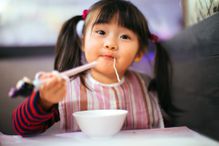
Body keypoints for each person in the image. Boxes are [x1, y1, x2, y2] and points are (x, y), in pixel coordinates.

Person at [12, 0, 173, 136]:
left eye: (124, 36)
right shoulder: (66, 89)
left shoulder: (148, 86)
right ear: (83, 42)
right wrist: (45, 101)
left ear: (139, 53)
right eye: (101, 32)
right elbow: (22, 128)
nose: (110, 44)